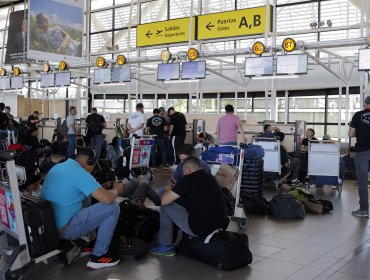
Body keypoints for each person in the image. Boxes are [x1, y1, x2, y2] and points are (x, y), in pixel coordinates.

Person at [41, 148, 125, 269]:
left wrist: (101, 187)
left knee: (86, 196)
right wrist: (116, 189)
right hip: (64, 229)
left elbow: (75, 189)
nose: (92, 171)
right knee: (112, 206)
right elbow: (107, 199)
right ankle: (99, 256)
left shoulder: (59, 167)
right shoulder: (80, 173)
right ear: (90, 162)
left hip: (50, 227)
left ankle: (84, 242)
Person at [150, 156, 229, 256]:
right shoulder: (211, 178)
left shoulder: (188, 180)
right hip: (220, 225)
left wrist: (167, 189)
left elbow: (165, 201)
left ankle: (165, 247)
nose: (183, 174)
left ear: (188, 169)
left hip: (200, 229)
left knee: (165, 206)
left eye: (183, 171)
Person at [348, 96, 370, 217]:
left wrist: (361, 131)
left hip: (362, 151)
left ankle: (364, 210)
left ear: (366, 104)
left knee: (362, 182)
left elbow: (350, 133)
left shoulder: (358, 115)